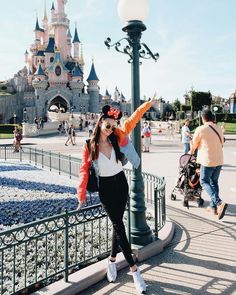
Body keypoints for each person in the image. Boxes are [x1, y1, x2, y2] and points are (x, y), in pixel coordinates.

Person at [77, 94, 157, 294]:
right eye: (108, 123)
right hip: (105, 189)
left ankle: (112, 261)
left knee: (118, 225)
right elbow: (83, 170)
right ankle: (135, 272)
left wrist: (147, 104)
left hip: (121, 184)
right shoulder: (89, 145)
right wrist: (81, 195)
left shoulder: (117, 137)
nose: (110, 127)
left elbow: (132, 120)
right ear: (101, 121)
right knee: (119, 226)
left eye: (113, 124)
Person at [189, 110, 228, 220]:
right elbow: (222, 142)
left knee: (204, 181)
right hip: (219, 160)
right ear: (212, 118)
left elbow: (194, 145)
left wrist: (191, 151)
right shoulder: (218, 128)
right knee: (214, 182)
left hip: (207, 161)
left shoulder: (200, 129)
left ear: (203, 118)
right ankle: (213, 207)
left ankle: (219, 202)